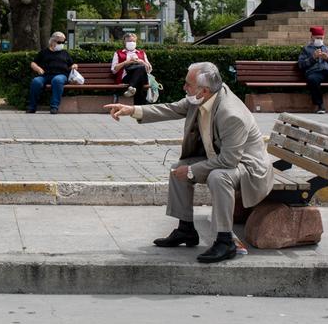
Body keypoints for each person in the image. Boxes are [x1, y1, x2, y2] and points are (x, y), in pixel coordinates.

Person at [104, 62, 273, 263]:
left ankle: (225, 240)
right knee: (178, 169)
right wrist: (131, 110)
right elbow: (171, 109)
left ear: (204, 90)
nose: (184, 88)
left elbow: (229, 161)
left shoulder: (231, 114)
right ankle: (186, 229)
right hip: (221, 158)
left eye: (188, 84)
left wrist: (192, 170)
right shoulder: (203, 98)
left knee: (218, 177)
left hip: (248, 167)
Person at [27, 31, 78, 114]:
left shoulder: (65, 53)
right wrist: (38, 68)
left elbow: (72, 64)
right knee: (36, 81)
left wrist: (74, 66)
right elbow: (33, 63)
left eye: (63, 42)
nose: (61, 44)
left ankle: (54, 107)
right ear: (52, 41)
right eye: (59, 42)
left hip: (61, 75)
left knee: (57, 80)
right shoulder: (44, 52)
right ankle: (32, 107)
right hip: (45, 75)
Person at [111, 33, 152, 105]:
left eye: (133, 41)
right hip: (127, 78)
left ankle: (131, 87)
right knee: (140, 79)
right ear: (124, 42)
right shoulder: (118, 53)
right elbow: (114, 70)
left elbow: (149, 70)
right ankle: (139, 106)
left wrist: (142, 62)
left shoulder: (141, 53)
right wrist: (127, 62)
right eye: (129, 41)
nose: (131, 43)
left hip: (142, 77)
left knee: (141, 68)